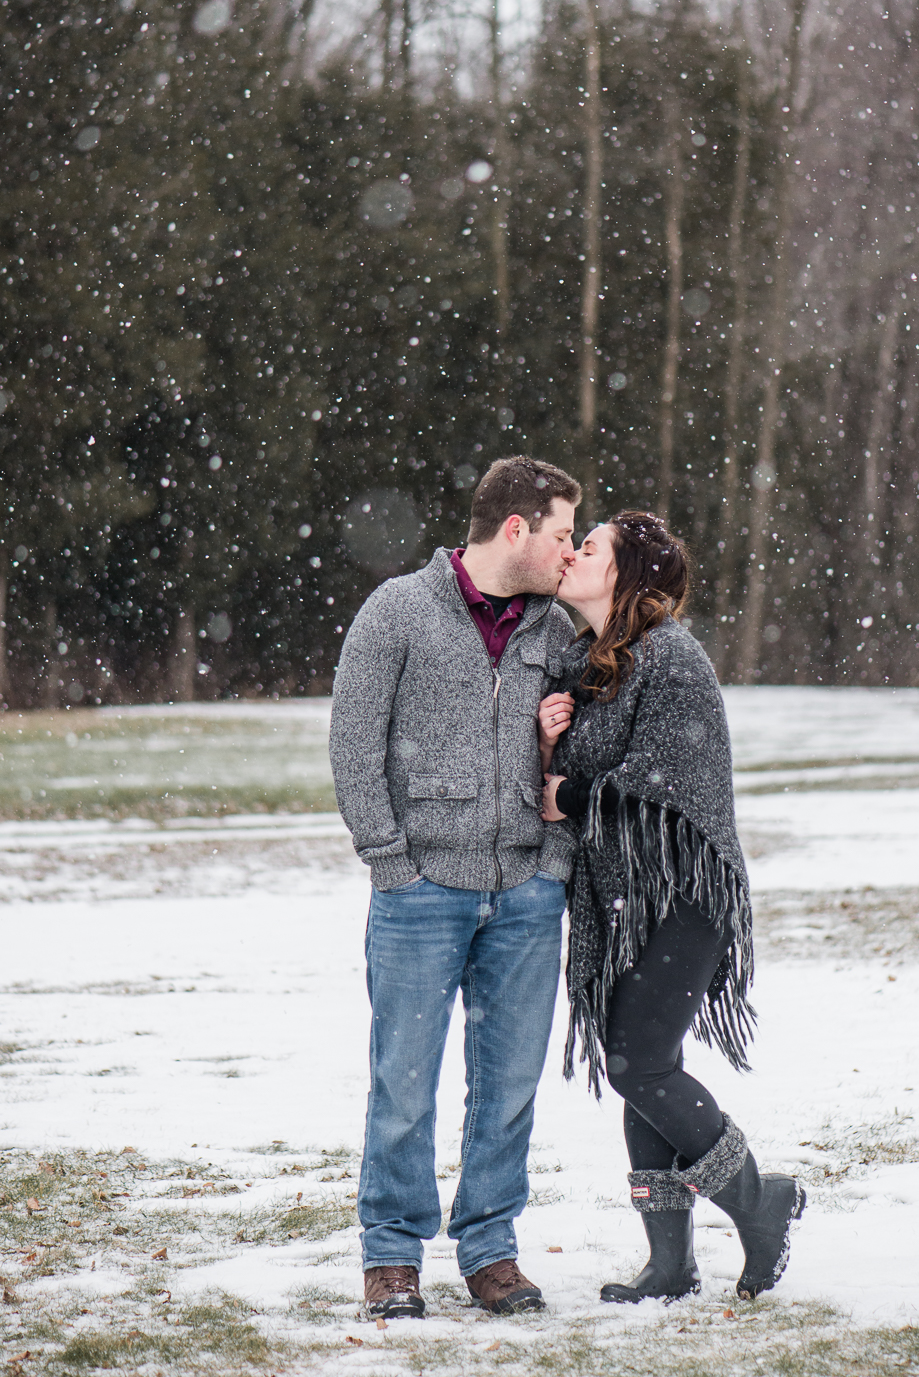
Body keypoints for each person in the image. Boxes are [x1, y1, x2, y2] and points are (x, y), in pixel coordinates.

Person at [330, 456, 581, 1320]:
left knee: (508, 1086)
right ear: (516, 530)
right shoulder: (397, 610)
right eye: (560, 534)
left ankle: (490, 1252)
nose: (570, 552)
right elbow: (353, 745)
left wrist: (554, 867)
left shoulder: (557, 630)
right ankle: (393, 1258)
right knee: (403, 1080)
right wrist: (390, 862)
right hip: (420, 891)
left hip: (526, 890)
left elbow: (584, 748)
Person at [539, 511, 805, 1305]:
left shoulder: (670, 657)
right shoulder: (588, 665)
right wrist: (549, 740)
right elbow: (569, 785)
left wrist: (571, 790)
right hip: (625, 899)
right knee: (643, 1068)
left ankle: (761, 1203)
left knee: (637, 1061)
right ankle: (671, 1263)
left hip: (687, 893)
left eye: (590, 548)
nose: (573, 552)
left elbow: (663, 784)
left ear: (625, 576)